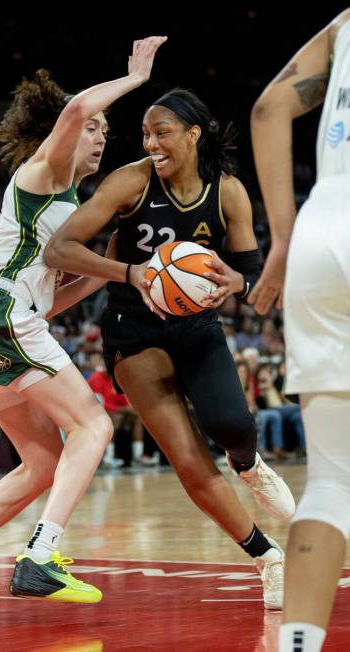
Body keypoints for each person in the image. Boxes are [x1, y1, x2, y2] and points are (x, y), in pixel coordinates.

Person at [0, 35, 167, 611]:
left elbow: (48, 306)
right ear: (66, 132)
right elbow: (76, 107)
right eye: (96, 127)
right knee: (95, 427)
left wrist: (111, 268)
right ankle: (42, 556)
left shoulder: (70, 206)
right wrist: (135, 77)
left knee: (44, 463)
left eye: (106, 129)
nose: (101, 134)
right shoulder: (44, 173)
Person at [44, 88, 297, 608]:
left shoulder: (227, 192)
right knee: (185, 456)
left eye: (161, 132)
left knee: (232, 425)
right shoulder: (130, 182)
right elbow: (60, 248)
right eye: (144, 134)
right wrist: (130, 273)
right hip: (133, 331)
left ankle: (248, 464)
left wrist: (237, 283)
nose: (150, 143)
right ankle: (266, 557)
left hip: (197, 324)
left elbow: (249, 272)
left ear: (193, 133)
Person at [250, 8, 350, 651]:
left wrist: (281, 239)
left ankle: (297, 646)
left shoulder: (344, 22)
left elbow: (267, 111)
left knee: (333, 483)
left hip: (323, 229)